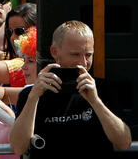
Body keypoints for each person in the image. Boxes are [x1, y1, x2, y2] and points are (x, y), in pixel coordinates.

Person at [10, 21, 131, 157]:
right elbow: (18, 148)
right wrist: (33, 98)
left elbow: (124, 142)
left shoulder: (103, 90)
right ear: (55, 52)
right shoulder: (31, 94)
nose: (84, 63)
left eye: (88, 55)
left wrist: (96, 102)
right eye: (75, 55)